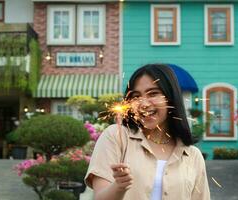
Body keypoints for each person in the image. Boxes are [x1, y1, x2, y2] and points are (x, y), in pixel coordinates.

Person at [85, 64, 210, 200]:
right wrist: (119, 187)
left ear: (171, 98)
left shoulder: (193, 156)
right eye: (136, 96)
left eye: (153, 93)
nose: (143, 104)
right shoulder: (116, 137)